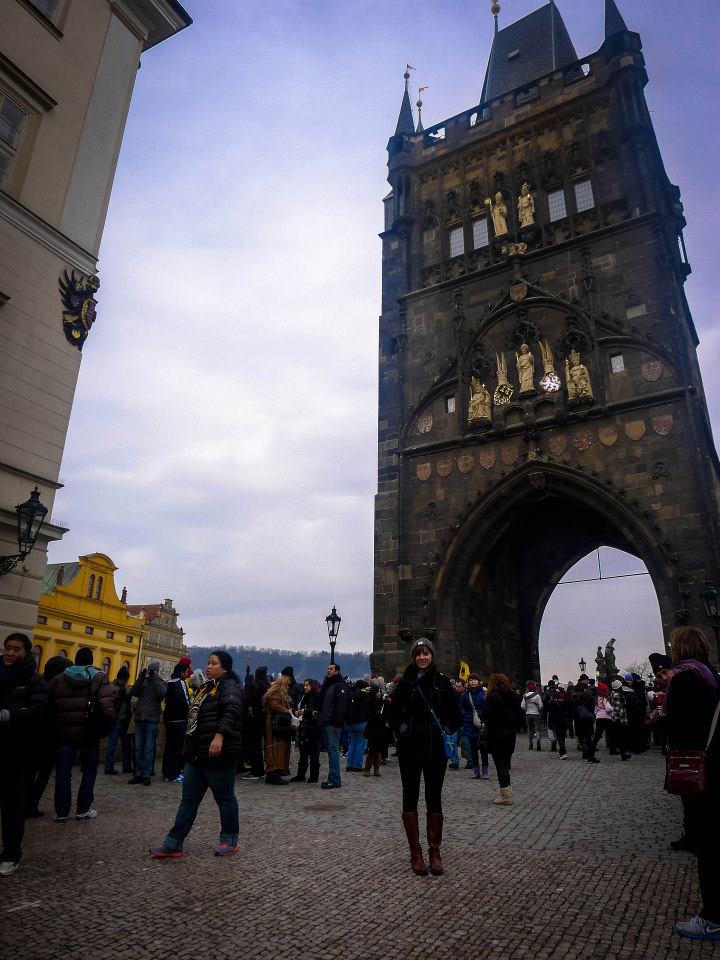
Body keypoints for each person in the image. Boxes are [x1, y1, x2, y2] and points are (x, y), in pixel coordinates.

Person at [150, 650, 243, 858]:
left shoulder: (229, 686)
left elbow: (232, 711)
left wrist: (219, 736)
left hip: (219, 753)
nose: (209, 666)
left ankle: (229, 840)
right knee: (188, 800)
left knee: (225, 798)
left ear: (225, 668)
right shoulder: (205, 687)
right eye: (208, 663)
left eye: (214, 663)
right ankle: (173, 843)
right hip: (196, 753)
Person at [387, 638, 461, 877]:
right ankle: (415, 853)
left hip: (435, 748)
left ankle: (434, 852)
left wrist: (448, 728)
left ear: (432, 655)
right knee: (410, 797)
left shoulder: (442, 682)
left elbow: (455, 713)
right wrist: (400, 727)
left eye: (425, 653)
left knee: (434, 797)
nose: (422, 657)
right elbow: (392, 713)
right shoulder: (404, 683)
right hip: (409, 748)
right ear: (413, 657)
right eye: (418, 653)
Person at [665, 627, 720, 942]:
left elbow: (681, 726)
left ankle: (712, 918)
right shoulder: (710, 675)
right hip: (713, 760)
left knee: (708, 840)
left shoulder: (685, 678)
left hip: (701, 767)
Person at [48, 647, 115, 821]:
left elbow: (49, 705)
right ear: (91, 661)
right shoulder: (99, 677)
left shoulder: (59, 679)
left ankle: (61, 811)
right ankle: (83, 808)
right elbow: (107, 706)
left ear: (75, 660)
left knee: (63, 770)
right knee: (89, 770)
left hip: (63, 732)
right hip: (89, 731)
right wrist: (107, 726)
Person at [0, 633, 48, 876]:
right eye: (7, 648)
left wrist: (11, 714)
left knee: (12, 807)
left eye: (16, 649)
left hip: (18, 752)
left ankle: (10, 854)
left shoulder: (35, 681)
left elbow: (39, 712)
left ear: (26, 652)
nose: (9, 653)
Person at [26, 654, 68, 817]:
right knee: (43, 773)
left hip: (33, 735)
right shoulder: (59, 689)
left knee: (30, 772)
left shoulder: (36, 684)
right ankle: (31, 805)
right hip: (50, 736)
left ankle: (26, 803)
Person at [483, 672, 522, 805]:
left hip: (496, 734)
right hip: (510, 734)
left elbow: (486, 715)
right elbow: (519, 716)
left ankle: (506, 796)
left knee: (500, 765)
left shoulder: (492, 697)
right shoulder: (513, 696)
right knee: (505, 764)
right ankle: (507, 792)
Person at [128, 661, 167, 786]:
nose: (151, 671)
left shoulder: (160, 682)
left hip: (152, 719)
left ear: (157, 671)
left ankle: (146, 774)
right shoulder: (143, 681)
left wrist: (154, 678)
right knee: (138, 748)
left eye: (152, 669)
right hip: (140, 718)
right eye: (150, 669)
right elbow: (134, 691)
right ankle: (138, 773)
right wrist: (140, 677)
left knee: (148, 749)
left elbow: (162, 693)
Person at [317, 662, 349, 790]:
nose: (328, 670)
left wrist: (337, 721)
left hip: (332, 723)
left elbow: (341, 705)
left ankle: (335, 779)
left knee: (333, 751)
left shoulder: (339, 686)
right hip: (326, 721)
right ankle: (332, 778)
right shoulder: (328, 685)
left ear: (337, 671)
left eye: (331, 669)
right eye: (327, 668)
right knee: (331, 751)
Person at [162, 660, 192, 783]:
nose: (187, 674)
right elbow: (185, 700)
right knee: (178, 747)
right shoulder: (181, 682)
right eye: (186, 672)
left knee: (168, 746)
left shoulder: (168, 682)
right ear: (181, 672)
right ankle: (175, 773)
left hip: (168, 718)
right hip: (179, 719)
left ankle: (166, 773)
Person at [263, 674, 293, 786]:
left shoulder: (276, 693)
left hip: (276, 722)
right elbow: (275, 706)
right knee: (276, 747)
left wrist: (288, 702)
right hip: (275, 723)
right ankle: (274, 773)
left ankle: (273, 774)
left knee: (277, 746)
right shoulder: (275, 693)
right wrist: (287, 710)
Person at [242, 665, 270, 780]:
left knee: (254, 745)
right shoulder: (268, 685)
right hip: (265, 717)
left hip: (255, 717)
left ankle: (257, 771)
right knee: (264, 744)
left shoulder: (255, 686)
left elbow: (248, 698)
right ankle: (264, 768)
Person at [104, 666, 133, 776]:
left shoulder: (123, 687)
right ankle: (109, 767)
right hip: (116, 719)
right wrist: (120, 694)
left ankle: (126, 766)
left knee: (126, 745)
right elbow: (110, 701)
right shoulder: (113, 687)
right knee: (113, 744)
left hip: (124, 719)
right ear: (125, 678)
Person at [291, 679, 321, 783]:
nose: (305, 687)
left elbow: (317, 712)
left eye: (307, 685)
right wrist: (298, 712)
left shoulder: (317, 696)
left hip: (314, 728)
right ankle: (301, 775)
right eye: (304, 685)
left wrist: (306, 711)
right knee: (303, 752)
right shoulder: (304, 696)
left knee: (314, 753)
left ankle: (314, 776)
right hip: (304, 726)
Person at [459, 674, 489, 779]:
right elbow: (461, 707)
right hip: (469, 723)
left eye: (475, 680)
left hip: (481, 723)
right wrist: (465, 715)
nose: (473, 682)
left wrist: (483, 715)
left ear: (478, 681)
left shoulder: (484, 693)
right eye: (471, 680)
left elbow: (488, 707)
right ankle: (476, 771)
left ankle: (485, 771)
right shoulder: (465, 694)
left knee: (483, 748)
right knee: (473, 749)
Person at [346, 679, 370, 773]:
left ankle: (349, 765)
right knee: (361, 744)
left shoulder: (350, 694)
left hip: (350, 722)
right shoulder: (363, 695)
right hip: (361, 721)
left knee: (352, 744)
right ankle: (357, 765)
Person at [363, 682, 386, 777]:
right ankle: (367, 769)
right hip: (372, 728)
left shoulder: (382, 702)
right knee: (371, 749)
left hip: (380, 727)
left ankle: (377, 769)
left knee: (379, 749)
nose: (379, 693)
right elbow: (369, 713)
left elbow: (385, 713)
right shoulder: (369, 702)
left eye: (380, 691)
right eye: (377, 692)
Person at [586, 681, 613, 762]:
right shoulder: (605, 698)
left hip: (599, 718)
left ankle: (590, 754)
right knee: (614, 735)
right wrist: (613, 708)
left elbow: (595, 710)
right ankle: (622, 753)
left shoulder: (597, 698)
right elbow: (608, 709)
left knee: (596, 738)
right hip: (606, 718)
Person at [610, 678, 632, 761]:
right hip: (620, 719)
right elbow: (617, 708)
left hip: (617, 718)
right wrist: (618, 718)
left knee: (620, 736)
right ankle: (624, 754)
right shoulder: (617, 695)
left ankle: (623, 753)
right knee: (622, 737)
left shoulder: (613, 694)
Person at [546, 685, 569, 759]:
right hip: (564, 720)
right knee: (562, 737)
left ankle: (563, 752)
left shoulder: (552, 701)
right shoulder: (566, 699)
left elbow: (549, 711)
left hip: (556, 721)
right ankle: (562, 752)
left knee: (559, 737)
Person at [521, 681, 543, 751]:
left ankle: (531, 744)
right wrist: (538, 709)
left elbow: (522, 706)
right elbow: (541, 706)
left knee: (530, 730)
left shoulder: (525, 695)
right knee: (537, 729)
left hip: (528, 714)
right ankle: (538, 741)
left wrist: (526, 709)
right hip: (536, 714)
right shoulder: (537, 695)